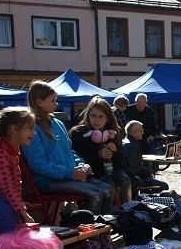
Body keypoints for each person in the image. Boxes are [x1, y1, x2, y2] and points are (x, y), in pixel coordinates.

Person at [22, 81, 113, 215]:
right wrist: (69, 172)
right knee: (96, 194)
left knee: (107, 189)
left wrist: (83, 164)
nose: (56, 104)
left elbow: (70, 151)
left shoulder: (57, 123)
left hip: (66, 176)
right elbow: (37, 164)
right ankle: (90, 233)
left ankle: (103, 230)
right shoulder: (32, 127)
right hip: (48, 181)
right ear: (40, 102)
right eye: (53, 100)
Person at [0, 108, 37, 232]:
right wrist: (23, 213)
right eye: (30, 128)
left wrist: (19, 204)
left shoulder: (11, 147)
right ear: (14, 129)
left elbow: (15, 178)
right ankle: (12, 243)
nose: (34, 133)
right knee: (5, 211)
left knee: (11, 205)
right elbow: (6, 186)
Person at [69, 96, 132, 205]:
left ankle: (126, 211)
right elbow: (76, 158)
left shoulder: (114, 132)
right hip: (91, 171)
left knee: (125, 181)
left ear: (107, 118)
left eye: (101, 117)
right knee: (108, 184)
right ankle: (108, 215)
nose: (96, 120)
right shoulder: (79, 133)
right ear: (88, 115)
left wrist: (115, 151)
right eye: (93, 116)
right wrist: (98, 155)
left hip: (111, 169)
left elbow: (122, 160)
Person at [123, 120, 169, 197]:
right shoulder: (132, 145)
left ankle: (145, 196)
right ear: (134, 131)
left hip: (130, 177)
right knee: (164, 186)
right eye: (141, 130)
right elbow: (137, 168)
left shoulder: (125, 141)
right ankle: (148, 199)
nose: (143, 132)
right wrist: (149, 172)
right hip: (134, 178)